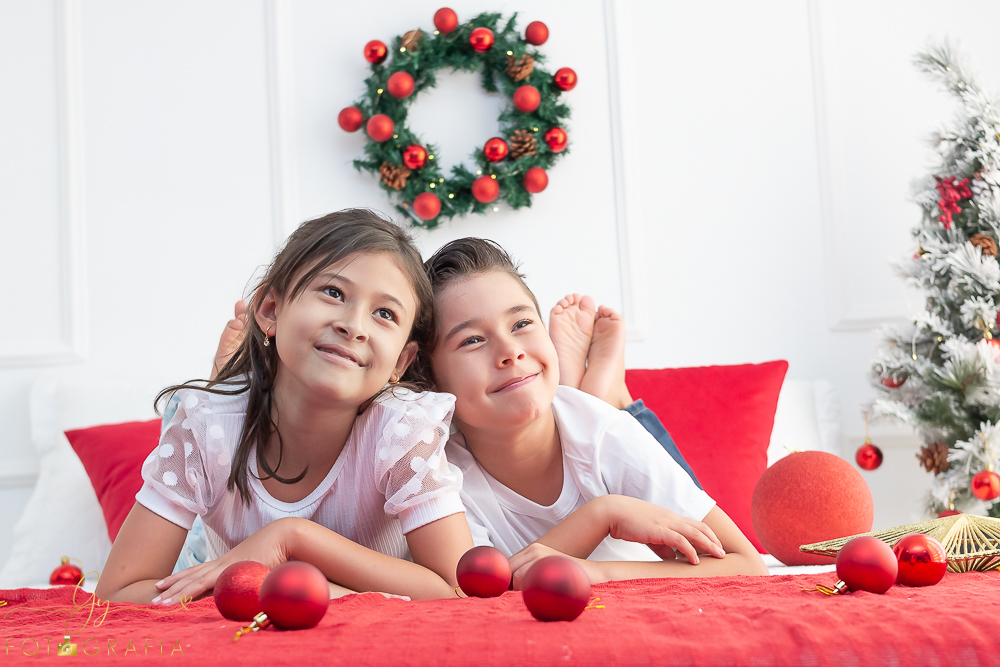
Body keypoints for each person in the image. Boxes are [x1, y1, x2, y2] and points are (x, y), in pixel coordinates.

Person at [94, 210, 474, 605]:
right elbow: (117, 593)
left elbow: (456, 588)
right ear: (271, 309)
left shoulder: (403, 430)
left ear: (401, 362)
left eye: (384, 314)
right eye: (333, 292)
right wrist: (263, 590)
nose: (354, 325)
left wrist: (292, 537)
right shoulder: (205, 427)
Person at [414, 238, 768, 587]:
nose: (511, 351)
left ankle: (605, 393)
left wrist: (599, 572)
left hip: (593, 425)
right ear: (430, 381)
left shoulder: (604, 433)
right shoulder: (441, 479)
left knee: (593, 414)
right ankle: (598, 389)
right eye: (472, 340)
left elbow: (748, 564)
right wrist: (603, 514)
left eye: (521, 324)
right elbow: (481, 593)